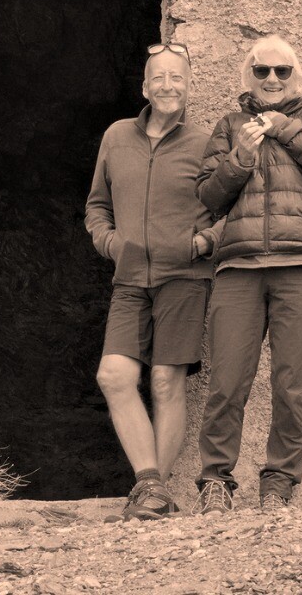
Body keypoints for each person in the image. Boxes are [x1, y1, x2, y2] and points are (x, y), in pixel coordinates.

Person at [193, 35, 302, 512]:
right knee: (227, 381)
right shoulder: (228, 125)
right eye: (262, 71)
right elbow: (208, 196)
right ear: (249, 77)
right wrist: (241, 154)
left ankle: (279, 483)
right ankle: (216, 480)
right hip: (239, 266)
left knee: (291, 384)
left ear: (295, 75)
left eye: (282, 71)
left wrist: (285, 129)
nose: (272, 80)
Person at [85, 42, 213, 520]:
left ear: (188, 86)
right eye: (158, 77)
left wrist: (202, 243)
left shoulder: (205, 143)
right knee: (114, 376)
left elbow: (229, 210)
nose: (167, 85)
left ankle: (152, 494)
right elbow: (97, 204)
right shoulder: (116, 136)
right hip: (130, 278)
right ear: (144, 87)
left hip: (186, 276)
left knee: (165, 380)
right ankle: (152, 484)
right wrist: (112, 244)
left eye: (176, 77)